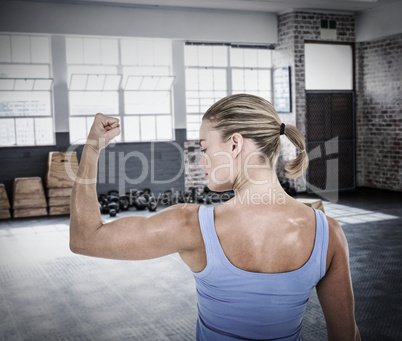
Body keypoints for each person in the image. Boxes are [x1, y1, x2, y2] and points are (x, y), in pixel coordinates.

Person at [70, 93, 360, 341]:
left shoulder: (189, 225)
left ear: (234, 144)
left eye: (205, 147)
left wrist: (92, 148)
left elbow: (85, 238)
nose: (201, 160)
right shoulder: (328, 234)